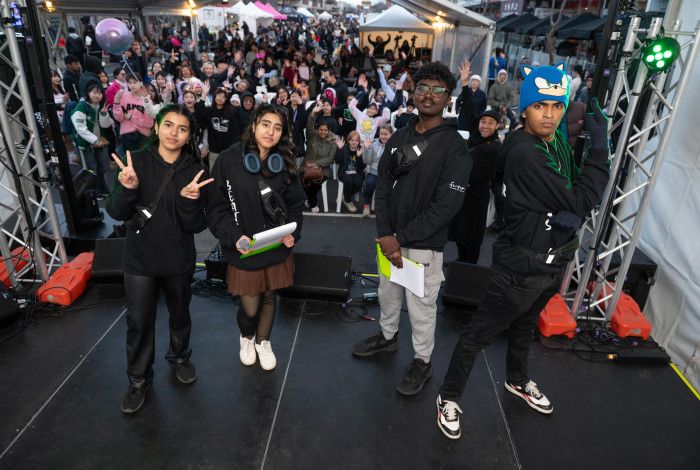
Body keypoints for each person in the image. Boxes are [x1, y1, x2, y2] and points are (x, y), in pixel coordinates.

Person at [436, 64, 610, 440]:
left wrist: (570, 206)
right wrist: (600, 149)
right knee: (479, 335)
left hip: (552, 263)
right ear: (525, 108)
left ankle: (517, 380)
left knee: (525, 327)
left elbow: (574, 192)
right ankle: (448, 397)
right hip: (518, 267)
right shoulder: (524, 151)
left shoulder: (556, 142)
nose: (549, 114)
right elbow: (582, 198)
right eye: (540, 106)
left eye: (557, 106)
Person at [352, 62, 470, 397]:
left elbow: (447, 206)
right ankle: (387, 338)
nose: (428, 95)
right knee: (388, 295)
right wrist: (387, 234)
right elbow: (384, 187)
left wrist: (399, 238)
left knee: (421, 307)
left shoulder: (454, 146)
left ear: (448, 98)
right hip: (388, 240)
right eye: (422, 88)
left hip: (423, 245)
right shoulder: (400, 134)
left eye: (437, 90)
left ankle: (422, 361)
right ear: (411, 92)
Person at [106, 104, 212, 414]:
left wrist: (191, 203)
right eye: (168, 125)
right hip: (139, 260)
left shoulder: (195, 169)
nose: (174, 133)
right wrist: (127, 189)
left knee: (180, 315)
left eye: (182, 128)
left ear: (189, 135)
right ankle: (138, 380)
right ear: (156, 127)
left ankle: (179, 357)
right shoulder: (134, 162)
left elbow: (195, 226)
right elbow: (115, 211)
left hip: (178, 259)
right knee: (139, 323)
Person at [206, 104, 306, 371]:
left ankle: (263, 341)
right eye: (265, 124)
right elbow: (216, 208)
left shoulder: (283, 162)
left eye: (277, 127)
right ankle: (247, 337)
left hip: (275, 246)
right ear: (253, 125)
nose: (270, 132)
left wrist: (292, 233)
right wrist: (234, 237)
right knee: (250, 308)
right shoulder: (228, 160)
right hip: (244, 249)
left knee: (270, 297)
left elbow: (295, 205)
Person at [449, 60, 502, 263]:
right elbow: (470, 109)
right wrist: (464, 83)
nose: (485, 125)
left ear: (496, 126)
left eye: (490, 123)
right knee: (460, 230)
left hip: (476, 197)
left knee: (472, 234)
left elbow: (476, 171)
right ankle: (461, 261)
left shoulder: (494, 147)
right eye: (483, 121)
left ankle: (469, 267)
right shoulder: (477, 134)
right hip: (464, 192)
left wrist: (455, 172)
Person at [70, 83, 112, 198]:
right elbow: (80, 129)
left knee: (102, 166)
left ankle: (104, 189)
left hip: (100, 141)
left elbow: (106, 125)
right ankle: (94, 192)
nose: (97, 95)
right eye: (94, 92)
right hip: (86, 144)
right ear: (88, 93)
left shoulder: (100, 106)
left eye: (99, 93)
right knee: (91, 168)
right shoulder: (81, 107)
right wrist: (95, 140)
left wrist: (104, 114)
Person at [304, 101, 337, 212]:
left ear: (328, 130)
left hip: (323, 170)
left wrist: (317, 163)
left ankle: (311, 202)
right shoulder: (312, 136)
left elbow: (330, 158)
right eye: (321, 130)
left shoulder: (332, 141)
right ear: (317, 130)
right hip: (307, 166)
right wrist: (313, 112)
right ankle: (312, 201)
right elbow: (309, 124)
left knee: (314, 184)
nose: (323, 132)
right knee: (302, 182)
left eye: (325, 130)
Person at [113, 73, 155, 152]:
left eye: (135, 82)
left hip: (143, 134)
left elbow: (149, 123)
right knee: (131, 161)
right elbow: (118, 118)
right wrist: (116, 103)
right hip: (127, 134)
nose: (132, 85)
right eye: (130, 83)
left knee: (143, 161)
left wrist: (131, 117)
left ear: (140, 83)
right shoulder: (124, 96)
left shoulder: (147, 100)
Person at [360, 123, 392, 217]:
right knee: (368, 184)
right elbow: (367, 161)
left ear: (390, 134)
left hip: (387, 173)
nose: (383, 136)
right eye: (382, 134)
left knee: (390, 188)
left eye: (386, 134)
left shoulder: (394, 145)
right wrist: (367, 148)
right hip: (374, 172)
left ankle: (386, 207)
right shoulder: (374, 144)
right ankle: (366, 205)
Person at [334, 131, 366, 213]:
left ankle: (345, 196)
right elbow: (338, 161)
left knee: (359, 182)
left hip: (356, 171)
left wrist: (359, 157)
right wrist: (339, 149)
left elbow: (362, 167)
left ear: (358, 142)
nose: (354, 142)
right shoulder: (344, 147)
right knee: (349, 181)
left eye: (356, 140)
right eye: (352, 140)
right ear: (348, 141)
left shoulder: (360, 149)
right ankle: (348, 201)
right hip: (344, 171)